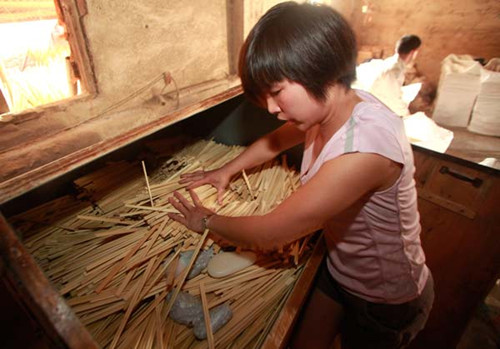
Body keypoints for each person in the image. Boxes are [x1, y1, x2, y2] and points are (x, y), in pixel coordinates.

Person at [167, 2, 433, 348]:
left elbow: (270, 232)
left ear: (318, 69)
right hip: (340, 268)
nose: (272, 109)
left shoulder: (365, 150)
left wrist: (205, 221)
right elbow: (275, 142)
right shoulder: (333, 109)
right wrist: (225, 171)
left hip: (384, 298)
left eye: (276, 92)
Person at [354, 34, 422, 117]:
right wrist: (407, 116)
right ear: (413, 52)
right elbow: (394, 101)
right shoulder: (394, 71)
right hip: (371, 112)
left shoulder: (383, 64)